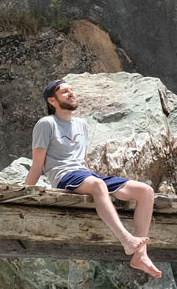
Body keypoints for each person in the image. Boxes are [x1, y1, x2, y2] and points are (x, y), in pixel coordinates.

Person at [26, 79, 162, 278]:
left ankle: (140, 255)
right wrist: (24, 193)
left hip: (86, 175)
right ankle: (126, 240)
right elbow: (37, 164)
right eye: (65, 92)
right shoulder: (46, 124)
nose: (72, 94)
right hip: (64, 176)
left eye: (72, 90)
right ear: (52, 101)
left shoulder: (81, 124)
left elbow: (84, 162)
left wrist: (94, 180)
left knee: (145, 191)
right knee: (98, 184)